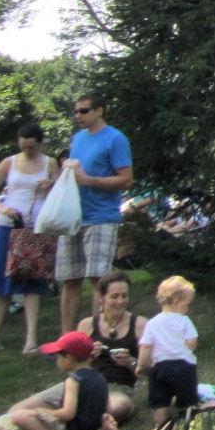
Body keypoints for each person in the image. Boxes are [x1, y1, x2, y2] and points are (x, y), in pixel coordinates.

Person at [0, 121, 59, 354]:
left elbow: (62, 193)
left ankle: (31, 339)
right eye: (23, 146)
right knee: (4, 282)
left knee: (33, 282)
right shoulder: (9, 162)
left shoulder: (50, 163)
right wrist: (2, 208)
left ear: (40, 144)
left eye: (31, 147)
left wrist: (51, 185)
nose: (27, 151)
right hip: (9, 226)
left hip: (38, 226)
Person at [57, 93, 134, 333]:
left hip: (101, 216)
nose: (78, 115)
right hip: (73, 217)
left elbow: (126, 180)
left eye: (83, 111)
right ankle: (68, 339)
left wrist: (89, 180)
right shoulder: (78, 139)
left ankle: (96, 336)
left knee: (98, 280)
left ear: (99, 110)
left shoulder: (115, 139)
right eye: (76, 111)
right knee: (70, 279)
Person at [102, 275, 200, 430]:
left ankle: (160, 425)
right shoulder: (185, 321)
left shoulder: (153, 323)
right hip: (184, 367)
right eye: (187, 304)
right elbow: (192, 341)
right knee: (188, 398)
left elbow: (146, 346)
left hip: (160, 368)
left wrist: (140, 364)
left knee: (159, 399)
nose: (188, 308)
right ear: (178, 301)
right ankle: (190, 425)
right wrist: (184, 350)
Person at [9, 331, 109, 430]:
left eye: (58, 356)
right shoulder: (98, 376)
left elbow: (68, 413)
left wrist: (41, 412)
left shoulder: (73, 380)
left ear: (68, 358)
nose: (56, 360)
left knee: (19, 415)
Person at [76, 270, 146, 423]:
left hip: (118, 387)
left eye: (124, 295)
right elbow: (73, 367)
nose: (120, 301)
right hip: (85, 383)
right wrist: (89, 357)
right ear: (101, 298)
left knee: (116, 408)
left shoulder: (140, 324)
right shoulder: (86, 325)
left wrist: (131, 362)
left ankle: (65, 421)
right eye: (114, 296)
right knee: (31, 404)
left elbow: (149, 372)